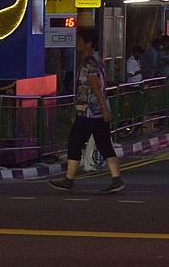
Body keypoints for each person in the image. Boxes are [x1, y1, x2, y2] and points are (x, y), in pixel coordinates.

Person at [49, 27, 124, 193]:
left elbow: (96, 87)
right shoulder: (95, 60)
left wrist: (104, 109)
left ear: (88, 43)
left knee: (74, 142)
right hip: (92, 111)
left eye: (80, 40)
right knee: (104, 144)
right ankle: (116, 178)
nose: (77, 43)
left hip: (90, 112)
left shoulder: (89, 63)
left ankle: (69, 179)